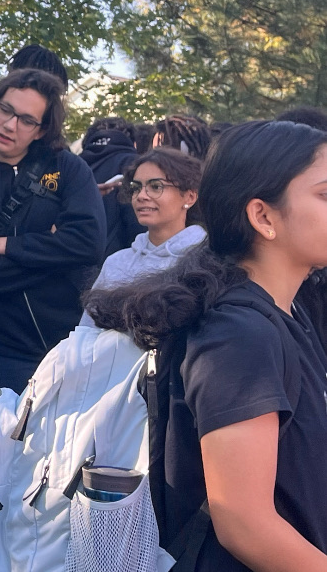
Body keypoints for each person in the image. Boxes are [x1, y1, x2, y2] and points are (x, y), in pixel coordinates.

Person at [86, 121, 327, 571]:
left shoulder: (289, 311)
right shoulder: (240, 336)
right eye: (325, 194)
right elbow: (244, 525)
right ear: (263, 217)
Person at [0, 68, 104, 410]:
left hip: (73, 342)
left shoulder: (66, 168)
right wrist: (54, 254)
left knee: (72, 458)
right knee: (11, 456)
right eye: (6, 110)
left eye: (27, 119)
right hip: (3, 350)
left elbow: (88, 242)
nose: (10, 125)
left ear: (41, 129)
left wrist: (10, 246)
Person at [81, 147, 203, 326]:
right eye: (136, 188)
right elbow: (86, 333)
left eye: (156, 187)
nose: (141, 196)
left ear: (190, 197)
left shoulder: (208, 261)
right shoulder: (117, 263)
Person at [79, 117, 143, 257]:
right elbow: (138, 222)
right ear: (133, 142)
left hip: (71, 264)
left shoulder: (72, 166)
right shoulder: (133, 164)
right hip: (121, 265)